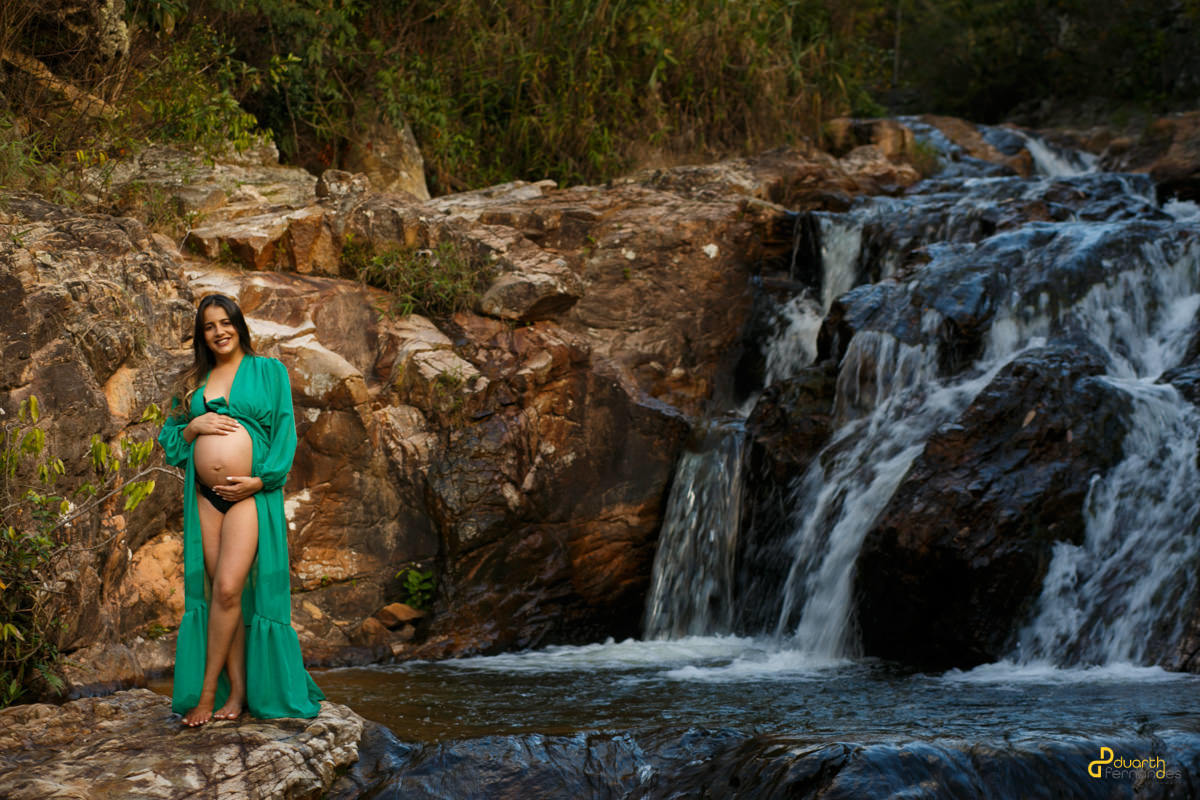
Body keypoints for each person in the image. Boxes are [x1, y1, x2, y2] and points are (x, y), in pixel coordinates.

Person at [158, 293, 324, 726]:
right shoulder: (194, 380)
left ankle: (208, 694)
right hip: (205, 498)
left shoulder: (269, 371)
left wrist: (261, 479)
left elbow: (286, 430)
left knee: (230, 588)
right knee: (219, 595)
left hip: (250, 493)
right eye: (210, 326)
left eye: (226, 322)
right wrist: (193, 426)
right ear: (202, 334)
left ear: (239, 324)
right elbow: (171, 440)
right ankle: (235, 694)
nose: (219, 331)